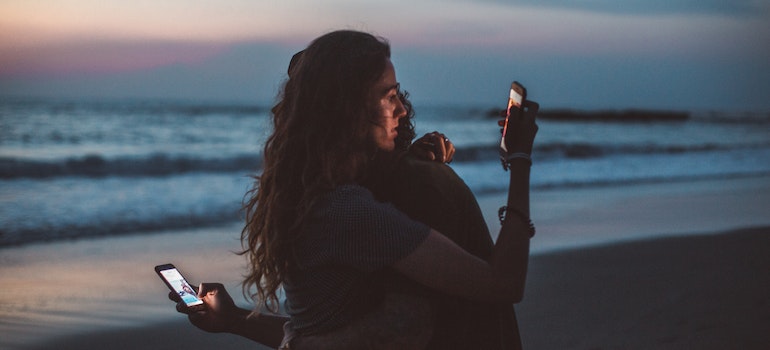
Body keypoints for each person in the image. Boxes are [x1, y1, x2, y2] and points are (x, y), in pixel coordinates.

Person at [170, 29, 538, 349]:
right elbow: (502, 284)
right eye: (388, 95)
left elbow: (308, 332)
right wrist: (520, 161)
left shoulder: (306, 197)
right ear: (347, 109)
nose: (403, 109)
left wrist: (234, 320)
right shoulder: (350, 211)